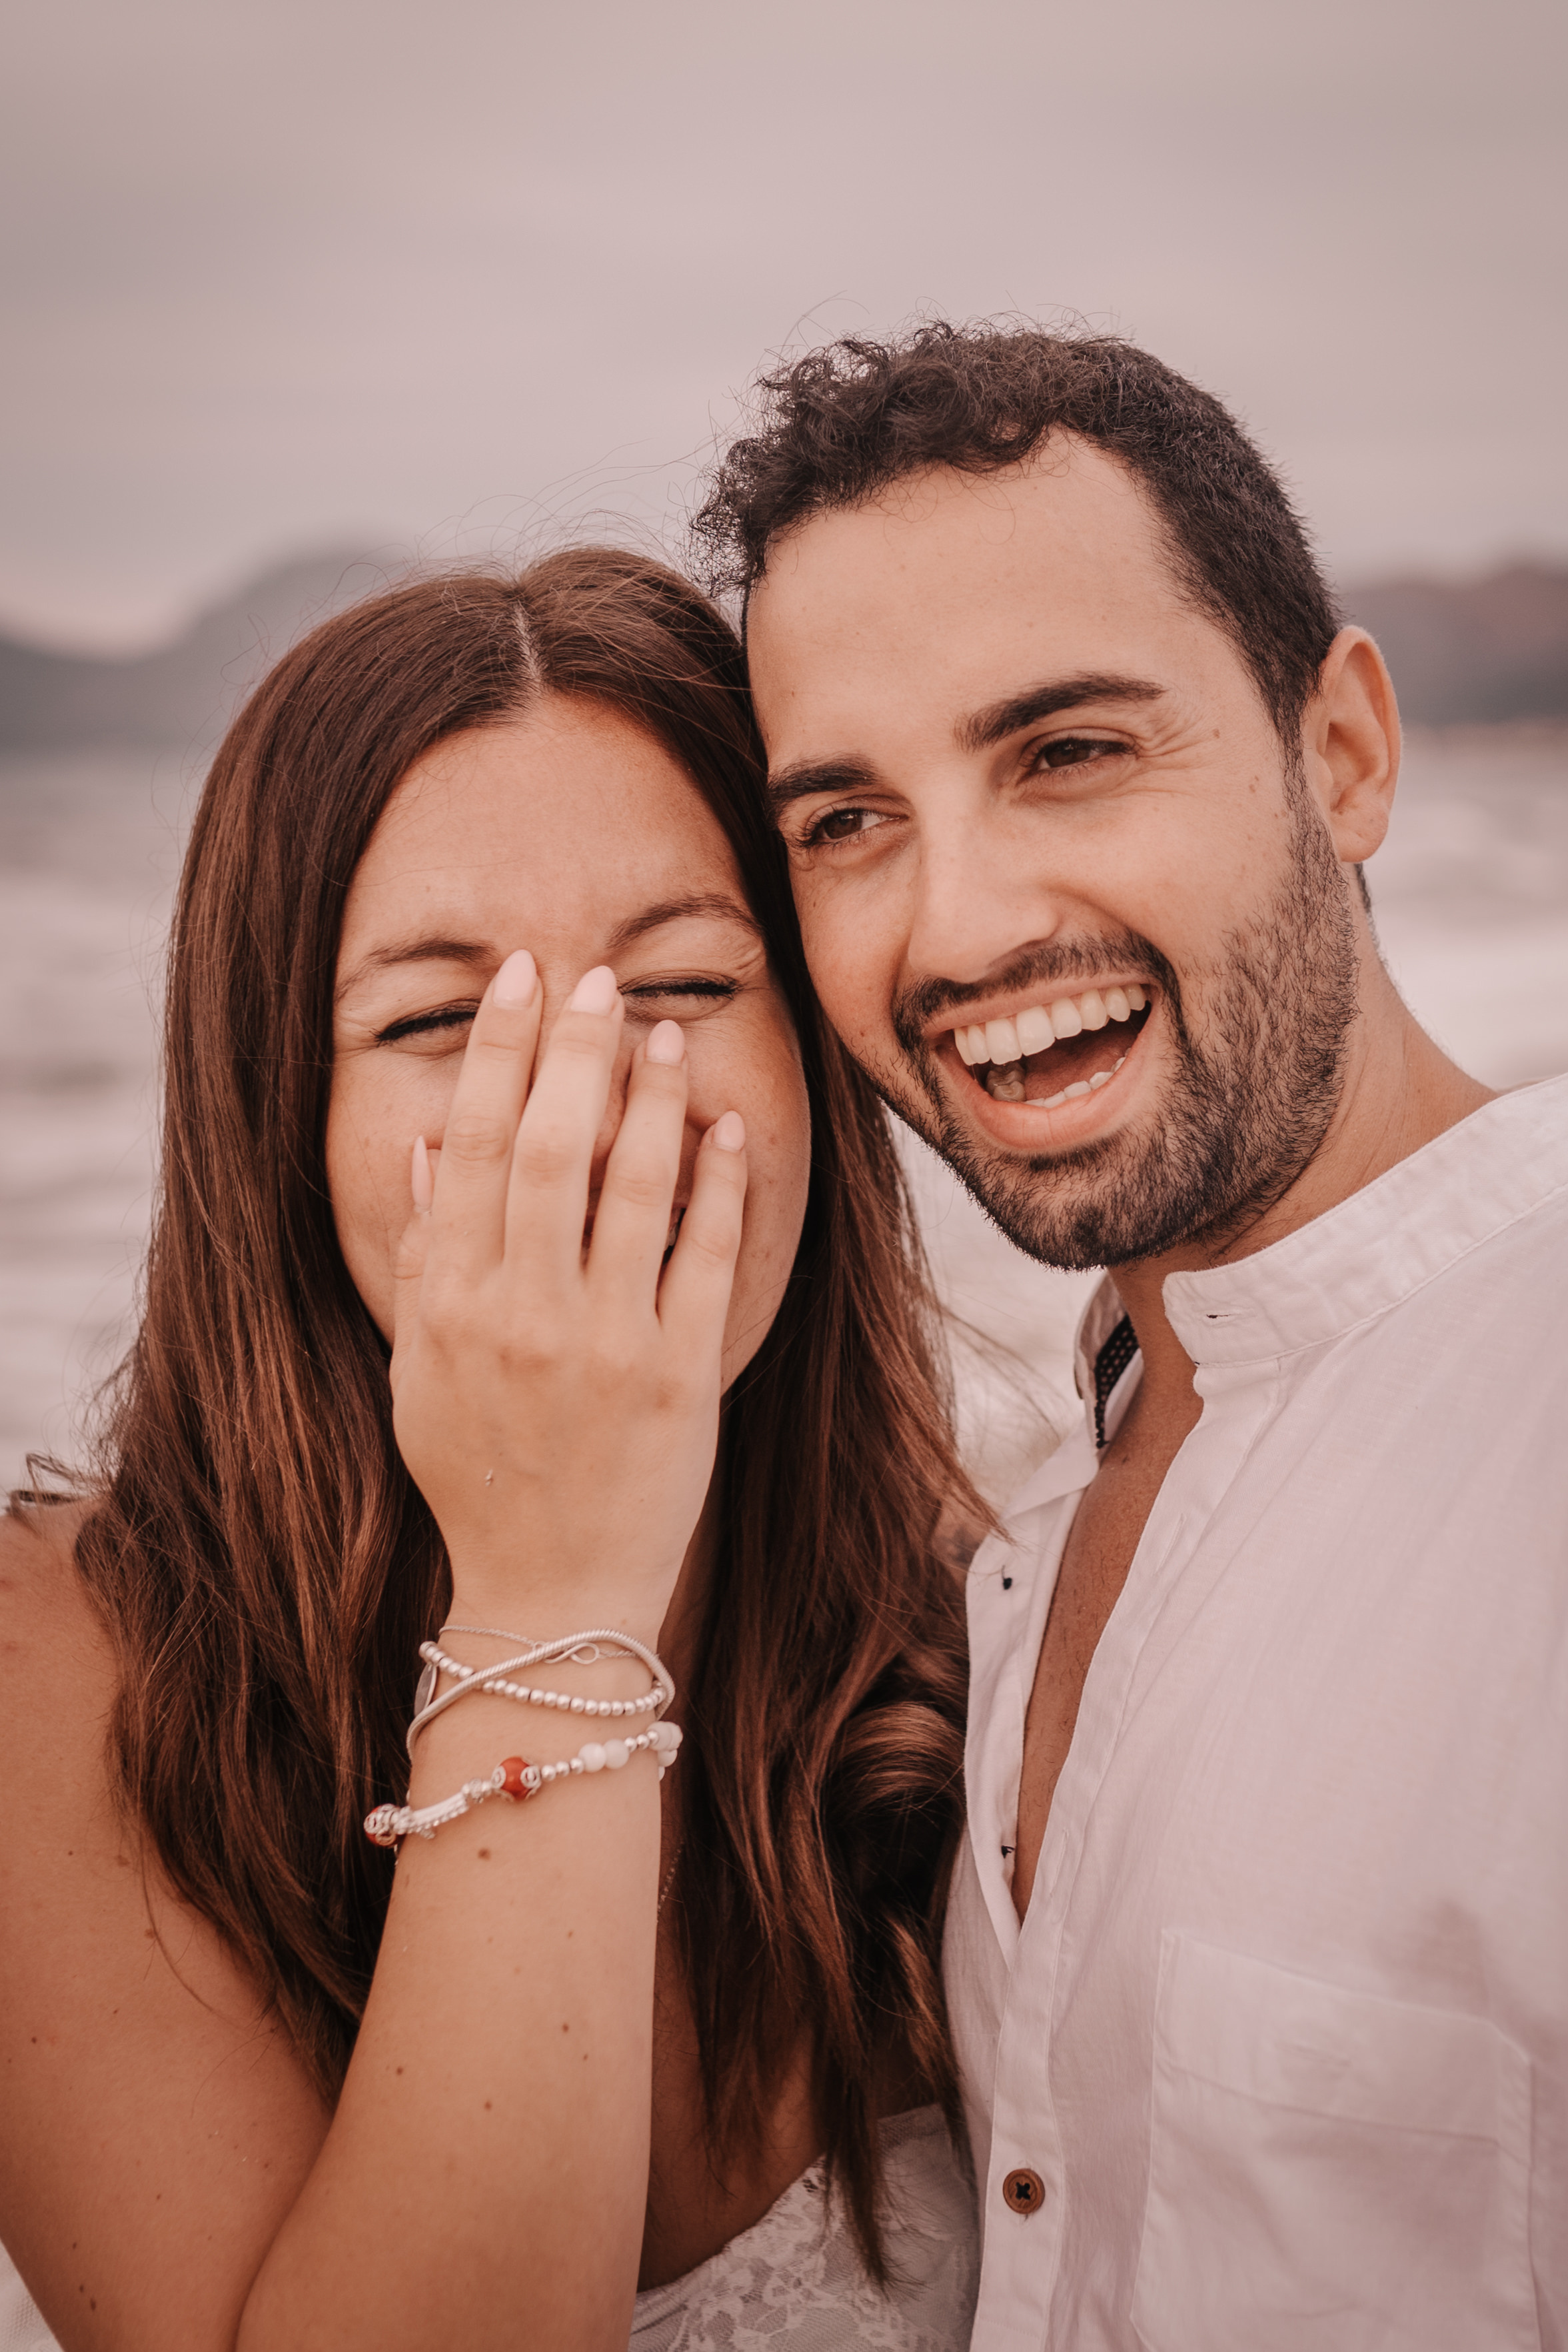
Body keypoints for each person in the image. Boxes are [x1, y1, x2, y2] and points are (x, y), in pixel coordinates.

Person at [0, 549, 984, 2351]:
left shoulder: (980, 1612)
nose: (577, 1095)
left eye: (681, 981)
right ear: (276, 1120)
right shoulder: (52, 1667)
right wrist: (551, 1573)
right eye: (438, 1020)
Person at [694, 324, 1568, 2349]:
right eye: (845, 822)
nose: (963, 926)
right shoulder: (1010, 1548)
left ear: (1338, 751)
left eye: (1066, 751)